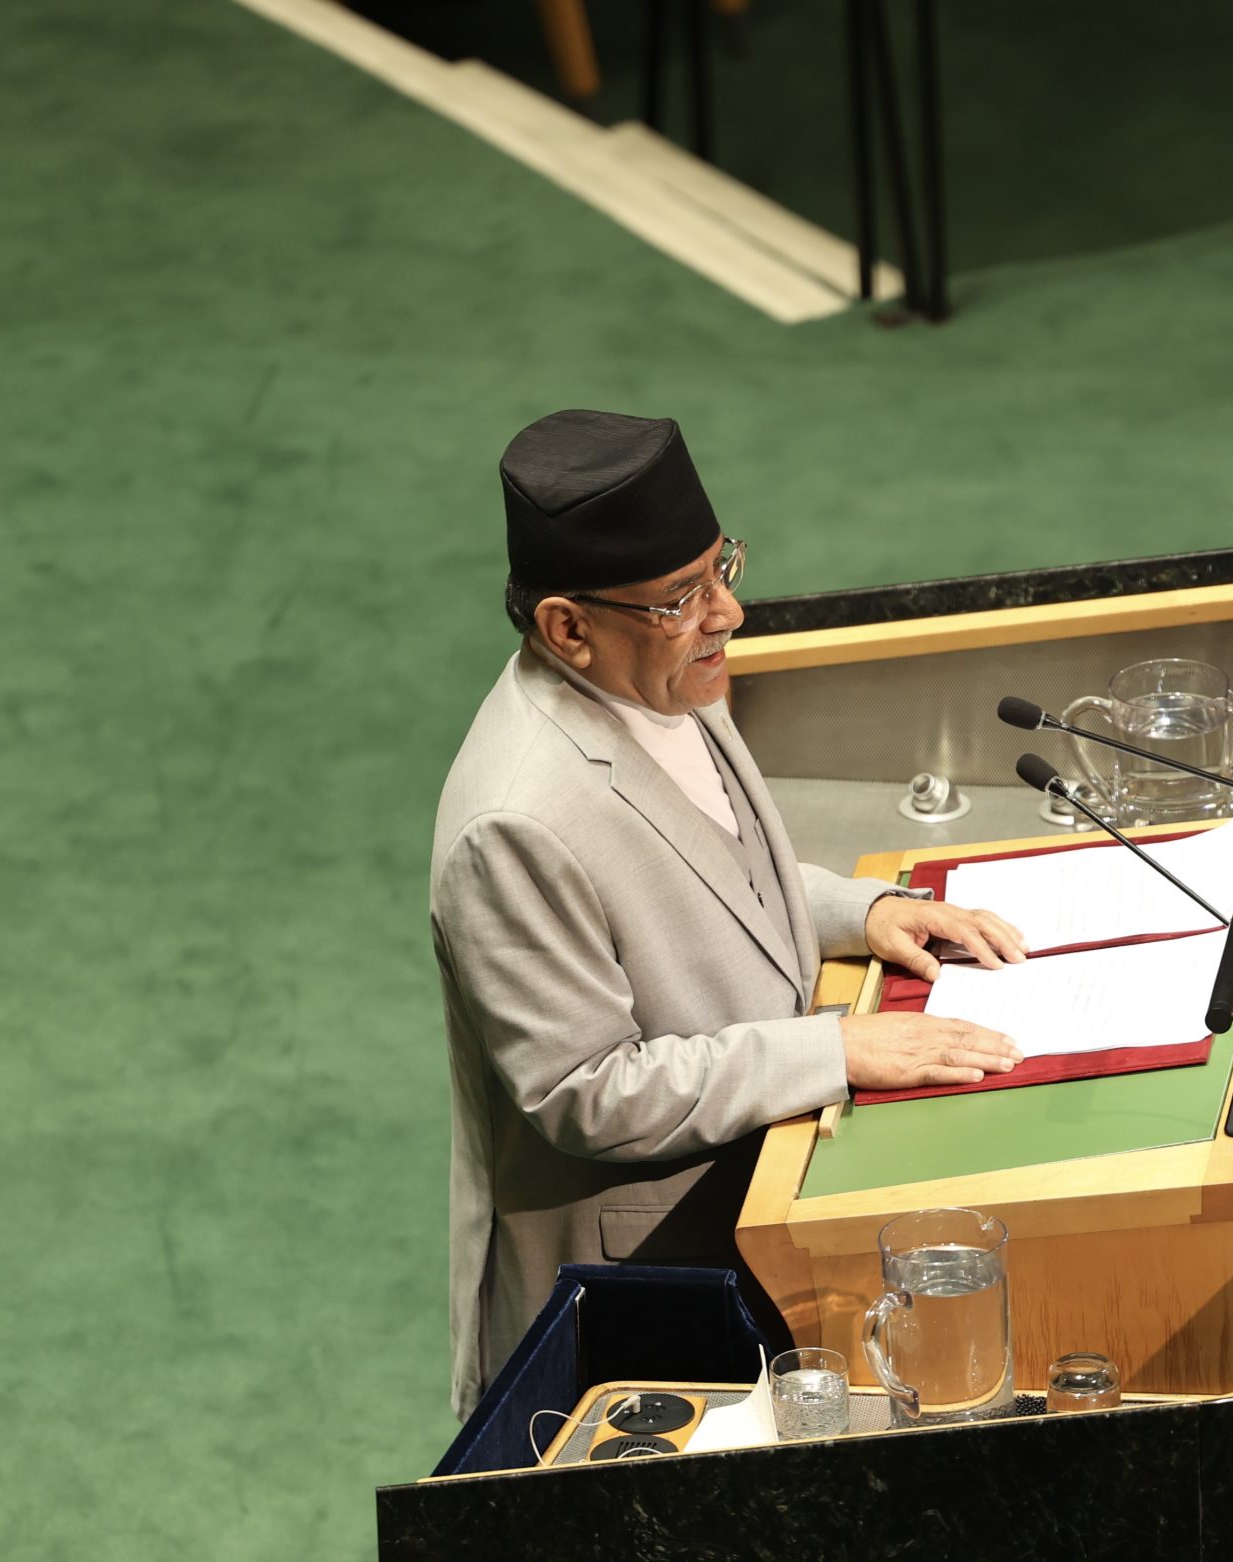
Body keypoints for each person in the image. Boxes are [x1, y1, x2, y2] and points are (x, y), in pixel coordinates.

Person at [431, 410, 1026, 1415]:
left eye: (723, 569)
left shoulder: (664, 673)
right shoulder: (515, 822)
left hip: (761, 1199)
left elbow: (709, 871)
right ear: (568, 628)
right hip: (651, 1284)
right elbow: (586, 1092)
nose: (729, 613)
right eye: (683, 596)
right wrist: (833, 1050)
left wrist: (861, 910)